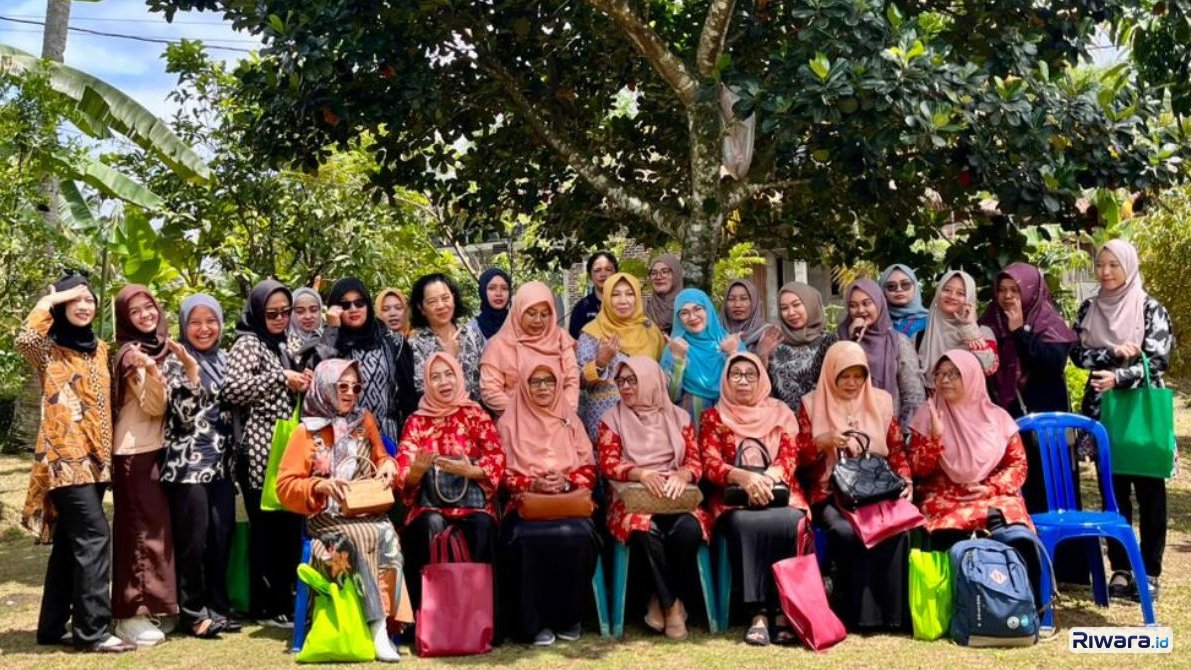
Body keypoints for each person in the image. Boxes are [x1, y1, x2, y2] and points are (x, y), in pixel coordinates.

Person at [17, 274, 135, 653]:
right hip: (65, 460)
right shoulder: (48, 349)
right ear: (62, 307)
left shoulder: (100, 349)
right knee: (95, 537)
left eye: (89, 299)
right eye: (75, 300)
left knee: (71, 544)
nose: (84, 306)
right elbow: (25, 338)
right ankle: (93, 632)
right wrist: (52, 299)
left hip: (97, 462)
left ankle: (52, 627)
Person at [276, 359, 403, 662]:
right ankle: (376, 627)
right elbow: (284, 487)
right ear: (324, 387)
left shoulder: (364, 420)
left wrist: (387, 466)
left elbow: (382, 455)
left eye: (356, 387)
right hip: (325, 519)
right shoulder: (305, 431)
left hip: (363, 508)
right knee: (354, 537)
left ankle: (388, 622)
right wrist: (319, 487)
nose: (350, 393)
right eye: (341, 386)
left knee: (387, 532)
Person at [1071, 240, 1174, 601]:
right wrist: (1112, 352)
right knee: (1113, 495)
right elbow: (1077, 354)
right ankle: (1121, 569)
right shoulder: (1089, 307)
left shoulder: (1150, 309)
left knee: (1151, 497)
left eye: (1114, 265)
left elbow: (1158, 360)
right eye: (1101, 265)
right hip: (1103, 414)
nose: (1106, 272)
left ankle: (1150, 571)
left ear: (1128, 267)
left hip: (1140, 413)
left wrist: (1119, 377)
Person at [798, 341, 912, 632]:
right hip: (831, 492)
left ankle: (894, 615)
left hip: (877, 490)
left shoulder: (882, 401)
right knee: (845, 531)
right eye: (844, 375)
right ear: (831, 373)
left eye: (858, 375)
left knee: (897, 527)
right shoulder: (812, 404)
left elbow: (897, 450)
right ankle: (860, 614)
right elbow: (799, 461)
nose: (852, 383)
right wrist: (819, 444)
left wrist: (906, 479)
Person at [598, 356, 711, 640]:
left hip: (676, 495)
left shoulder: (679, 417)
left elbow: (696, 462)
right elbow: (607, 463)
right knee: (644, 529)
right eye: (621, 381)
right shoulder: (611, 419)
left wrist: (682, 475)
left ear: (650, 380)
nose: (624, 387)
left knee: (689, 529)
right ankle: (672, 607)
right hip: (631, 499)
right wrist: (640, 473)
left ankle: (659, 599)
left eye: (632, 380)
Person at [700, 353, 808, 646]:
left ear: (762, 378)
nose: (744, 380)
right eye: (736, 374)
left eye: (751, 374)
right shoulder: (714, 417)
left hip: (779, 489)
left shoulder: (781, 412)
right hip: (733, 495)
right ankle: (757, 613)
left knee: (791, 521)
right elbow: (708, 462)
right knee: (747, 524)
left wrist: (767, 479)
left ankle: (785, 610)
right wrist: (742, 477)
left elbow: (790, 453)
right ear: (726, 379)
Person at [223, 279, 310, 628]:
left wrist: (300, 378)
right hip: (259, 451)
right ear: (258, 312)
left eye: (284, 312)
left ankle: (285, 600)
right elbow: (231, 388)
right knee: (267, 530)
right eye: (271, 312)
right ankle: (267, 604)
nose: (279, 317)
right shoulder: (249, 343)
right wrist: (279, 379)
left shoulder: (285, 342)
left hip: (287, 447)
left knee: (288, 527)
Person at [498, 357, 600, 646]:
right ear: (524, 384)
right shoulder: (508, 422)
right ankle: (534, 623)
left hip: (568, 501)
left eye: (549, 381)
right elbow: (499, 474)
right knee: (522, 538)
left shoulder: (570, 419)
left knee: (581, 535)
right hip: (525, 506)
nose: (543, 387)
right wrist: (532, 483)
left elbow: (590, 468)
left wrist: (565, 482)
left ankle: (569, 617)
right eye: (535, 381)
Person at [396, 352, 505, 611]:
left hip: (474, 503)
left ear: (459, 377)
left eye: (448, 375)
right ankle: (432, 615)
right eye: (435, 377)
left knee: (482, 525)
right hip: (429, 505)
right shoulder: (416, 421)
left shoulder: (475, 414)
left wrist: (472, 471)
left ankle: (482, 615)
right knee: (430, 524)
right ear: (426, 383)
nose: (443, 382)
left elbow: (497, 457)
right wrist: (416, 472)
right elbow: (403, 472)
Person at [160, 294, 239, 638]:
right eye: (195, 322)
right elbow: (180, 417)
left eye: (211, 321)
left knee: (222, 536)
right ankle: (192, 612)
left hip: (222, 464)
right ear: (183, 325)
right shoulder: (174, 360)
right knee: (193, 540)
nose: (204, 328)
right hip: (187, 464)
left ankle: (219, 608)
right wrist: (192, 373)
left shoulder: (226, 359)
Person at [109, 285, 181, 646]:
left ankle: (154, 606)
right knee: (139, 533)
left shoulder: (159, 348)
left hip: (155, 449)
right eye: (135, 312)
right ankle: (129, 615)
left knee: (158, 532)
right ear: (125, 319)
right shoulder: (131, 354)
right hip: (134, 452)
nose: (145, 315)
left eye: (149, 307)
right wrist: (153, 370)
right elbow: (155, 405)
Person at [978, 262, 1078, 513]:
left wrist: (1020, 332)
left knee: (1053, 493)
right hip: (1006, 418)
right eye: (1002, 290)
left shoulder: (1048, 322)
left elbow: (1051, 366)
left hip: (1045, 424)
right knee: (1016, 493)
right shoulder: (990, 320)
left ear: (1031, 291)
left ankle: (1063, 552)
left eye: (1015, 289)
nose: (1008, 296)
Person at [907, 350, 1030, 540]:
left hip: (990, 495)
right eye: (939, 374)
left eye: (954, 374)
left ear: (972, 377)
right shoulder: (928, 415)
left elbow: (1017, 465)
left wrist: (991, 488)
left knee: (1014, 531)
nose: (944, 380)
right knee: (947, 530)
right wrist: (934, 438)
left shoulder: (998, 419)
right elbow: (917, 470)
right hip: (945, 496)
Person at [306, 277, 417, 439]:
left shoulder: (392, 341)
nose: (353, 309)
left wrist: (410, 441)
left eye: (359, 303)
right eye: (345, 305)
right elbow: (318, 384)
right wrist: (332, 330)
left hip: (386, 437)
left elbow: (408, 397)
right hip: (340, 436)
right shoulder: (326, 339)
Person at [576, 272, 667, 439]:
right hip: (606, 421)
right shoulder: (592, 333)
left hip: (647, 420)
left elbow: (662, 376)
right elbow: (579, 383)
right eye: (615, 295)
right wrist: (601, 362)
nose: (623, 300)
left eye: (630, 294)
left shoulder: (651, 331)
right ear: (606, 298)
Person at [480, 281, 579, 415]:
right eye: (531, 314)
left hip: (559, 421)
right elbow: (490, 391)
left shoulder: (561, 339)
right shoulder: (498, 345)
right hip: (515, 424)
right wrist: (527, 415)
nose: (538, 320)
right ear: (519, 311)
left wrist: (561, 414)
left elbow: (572, 382)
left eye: (544, 314)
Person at [837, 279, 926, 428]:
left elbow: (913, 394)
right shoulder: (840, 339)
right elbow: (833, 381)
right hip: (848, 427)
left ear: (879, 303)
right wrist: (852, 341)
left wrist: (905, 433)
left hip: (888, 428)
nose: (860, 310)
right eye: (853, 306)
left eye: (866, 303)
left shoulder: (897, 341)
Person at [660, 288, 743, 429]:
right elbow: (669, 397)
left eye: (697, 309)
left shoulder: (731, 342)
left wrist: (732, 355)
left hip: (732, 420)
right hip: (692, 422)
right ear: (678, 318)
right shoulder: (675, 347)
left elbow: (750, 390)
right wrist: (678, 361)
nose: (692, 317)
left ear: (708, 310)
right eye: (684, 313)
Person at [756, 282, 838, 412]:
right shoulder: (773, 341)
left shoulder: (829, 342)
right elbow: (759, 387)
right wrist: (762, 356)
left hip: (819, 422)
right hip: (782, 424)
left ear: (810, 304)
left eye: (796, 305)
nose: (790, 313)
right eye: (784, 308)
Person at [409, 273, 484, 402]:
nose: (441, 306)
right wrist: (449, 358)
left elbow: (485, 379)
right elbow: (421, 389)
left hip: (476, 415)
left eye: (445, 298)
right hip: (438, 417)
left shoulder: (472, 333)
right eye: (432, 301)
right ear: (421, 308)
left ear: (453, 299)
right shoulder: (416, 343)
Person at [918, 270, 998, 386]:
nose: (952, 296)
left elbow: (989, 368)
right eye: (947, 290)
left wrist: (968, 327)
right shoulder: (920, 337)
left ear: (969, 299)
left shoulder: (983, 332)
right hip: (931, 403)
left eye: (960, 293)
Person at [568, 251, 618, 340]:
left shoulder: (625, 304)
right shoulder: (581, 308)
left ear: (616, 273)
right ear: (590, 276)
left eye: (608, 269)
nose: (603, 274)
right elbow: (574, 341)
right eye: (597, 270)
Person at [720, 278, 776, 352]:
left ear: (754, 302)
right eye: (731, 299)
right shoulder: (715, 333)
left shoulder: (768, 334)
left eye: (744, 299)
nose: (737, 304)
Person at [880, 264, 930, 342]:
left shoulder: (931, 321)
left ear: (915, 287)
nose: (899, 290)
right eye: (891, 286)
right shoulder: (877, 322)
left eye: (905, 284)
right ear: (883, 291)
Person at [467, 268, 512, 346]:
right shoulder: (471, 330)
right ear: (483, 292)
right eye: (492, 288)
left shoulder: (517, 325)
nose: (498, 293)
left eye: (504, 288)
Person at [644, 253, 684, 335]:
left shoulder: (689, 306)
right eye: (654, 273)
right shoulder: (643, 308)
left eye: (664, 272)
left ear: (676, 274)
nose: (658, 277)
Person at [287, 286, 324, 357]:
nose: (308, 316)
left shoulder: (329, 337)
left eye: (314, 310)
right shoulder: (285, 345)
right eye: (300, 311)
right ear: (292, 314)